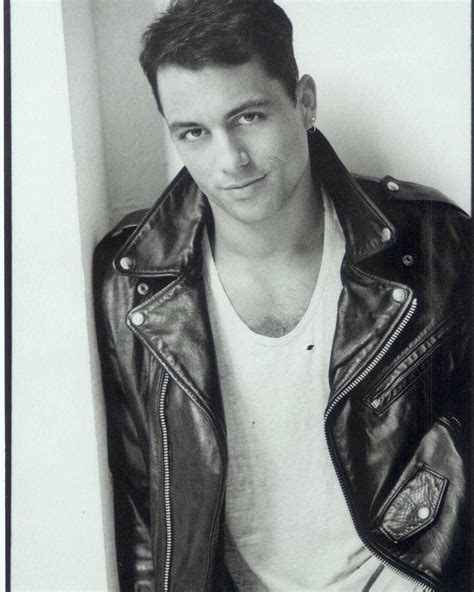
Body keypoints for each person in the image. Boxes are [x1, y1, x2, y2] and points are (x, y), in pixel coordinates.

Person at [93, 0, 470, 590]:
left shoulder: (431, 242)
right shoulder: (131, 282)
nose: (230, 160)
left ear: (305, 102)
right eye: (195, 132)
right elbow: (143, 510)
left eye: (248, 117)